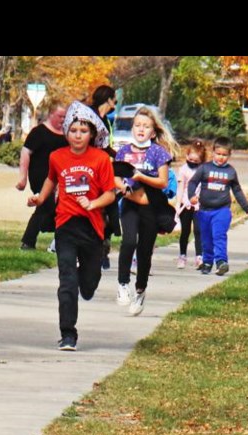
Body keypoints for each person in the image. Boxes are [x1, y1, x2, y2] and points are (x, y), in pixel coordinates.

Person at [28, 101, 115, 351]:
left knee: (88, 283)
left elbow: (110, 194)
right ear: (67, 131)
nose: (78, 135)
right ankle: (68, 333)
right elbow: (51, 179)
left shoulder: (100, 159)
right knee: (67, 281)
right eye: (74, 130)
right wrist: (40, 198)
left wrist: (93, 203)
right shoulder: (57, 156)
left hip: (92, 226)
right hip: (65, 225)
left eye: (83, 131)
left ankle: (86, 284)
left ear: (92, 134)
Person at [114, 107, 178, 316]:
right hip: (130, 204)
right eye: (137, 125)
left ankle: (140, 290)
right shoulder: (123, 151)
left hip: (152, 207)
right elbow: (114, 175)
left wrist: (141, 177)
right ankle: (123, 284)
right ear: (132, 128)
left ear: (153, 131)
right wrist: (122, 186)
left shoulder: (159, 153)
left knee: (144, 250)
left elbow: (162, 182)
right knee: (129, 241)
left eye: (146, 126)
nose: (141, 129)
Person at [188, 136, 248, 275]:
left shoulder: (230, 172)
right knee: (206, 237)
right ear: (213, 152)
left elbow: (237, 190)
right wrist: (191, 196)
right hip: (204, 210)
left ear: (229, 155)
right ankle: (207, 261)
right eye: (218, 154)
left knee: (219, 235)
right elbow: (192, 182)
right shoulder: (204, 168)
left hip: (222, 210)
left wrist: (247, 208)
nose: (221, 158)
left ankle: (221, 262)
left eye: (224, 155)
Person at [17, 103, 68, 250]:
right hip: (40, 176)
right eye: (60, 116)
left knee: (56, 207)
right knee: (45, 205)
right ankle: (28, 241)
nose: (63, 119)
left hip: (58, 177)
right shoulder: (39, 132)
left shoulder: (66, 134)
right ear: (51, 114)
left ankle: (52, 237)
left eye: (65, 117)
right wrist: (23, 177)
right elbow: (26, 153)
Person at [88, 85, 118, 270]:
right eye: (115, 99)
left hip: (105, 169)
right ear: (108, 99)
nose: (116, 102)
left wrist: (119, 155)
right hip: (90, 170)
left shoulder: (106, 120)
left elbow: (106, 145)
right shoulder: (90, 117)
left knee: (109, 211)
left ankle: (103, 248)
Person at [175, 140, 207, 269]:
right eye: (190, 159)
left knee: (198, 231)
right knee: (185, 231)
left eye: (196, 161)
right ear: (187, 156)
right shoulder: (183, 169)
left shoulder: (204, 170)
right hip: (186, 204)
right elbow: (181, 187)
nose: (192, 162)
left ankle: (199, 256)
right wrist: (178, 204)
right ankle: (182, 255)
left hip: (199, 205)